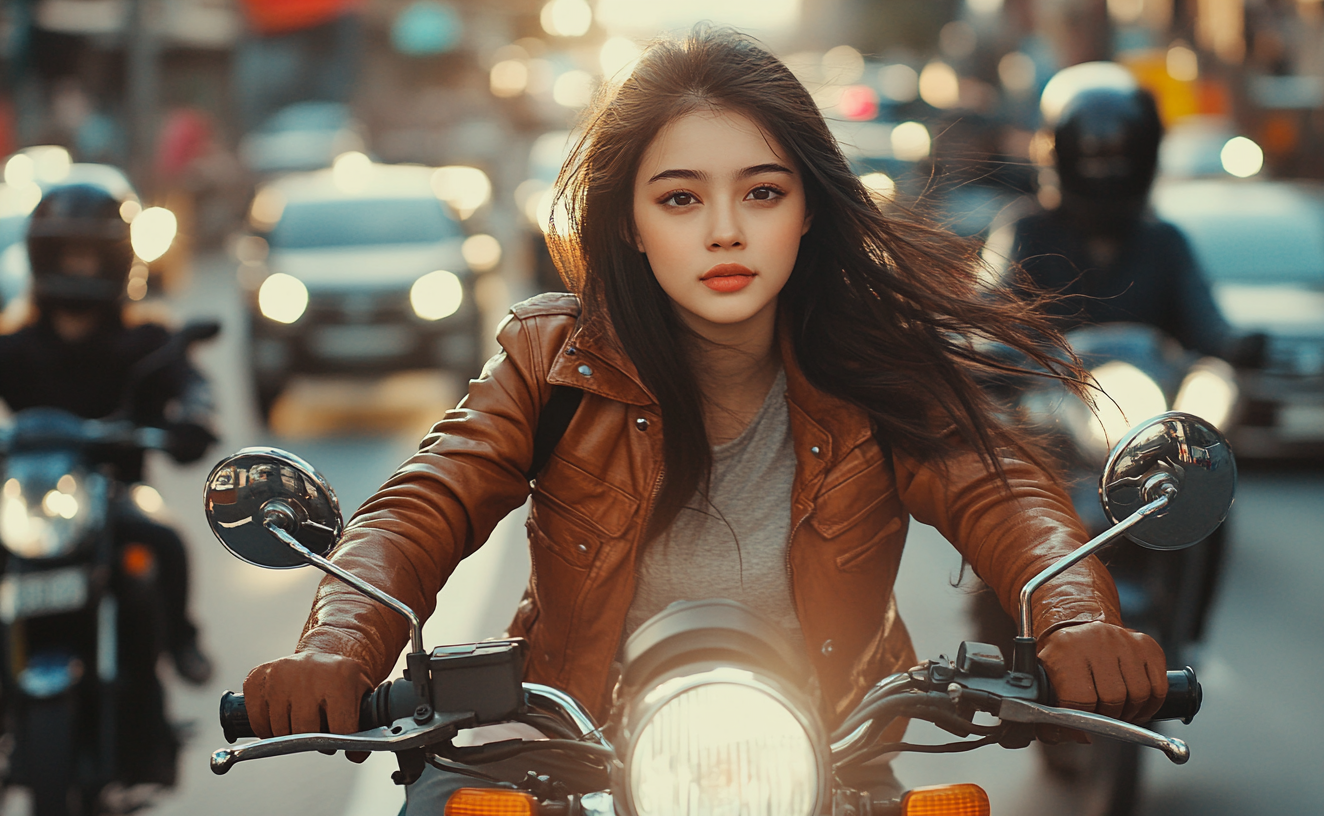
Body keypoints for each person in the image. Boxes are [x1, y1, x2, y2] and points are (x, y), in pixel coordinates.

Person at [242, 26, 1168, 807]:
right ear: (631, 224)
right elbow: (421, 505)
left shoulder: (883, 363)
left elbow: (1005, 492)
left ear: (807, 209)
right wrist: (335, 649)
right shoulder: (549, 357)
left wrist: (1074, 621)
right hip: (574, 747)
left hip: (829, 750)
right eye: (680, 198)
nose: (725, 229)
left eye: (761, 192)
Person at [0, 182, 216, 684]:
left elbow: (192, 384)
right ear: (43, 256)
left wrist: (194, 418)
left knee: (166, 540)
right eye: (67, 255)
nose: (79, 267)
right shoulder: (13, 344)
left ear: (115, 260)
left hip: (118, 494)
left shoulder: (149, 340)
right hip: (30, 497)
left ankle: (181, 640)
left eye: (90, 255)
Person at [982, 61, 1257, 363]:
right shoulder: (1027, 231)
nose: (1106, 176)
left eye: (1119, 157)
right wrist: (992, 347)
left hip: (1150, 404)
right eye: (1093, 158)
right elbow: (993, 310)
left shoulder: (1164, 242)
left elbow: (1208, 327)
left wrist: (1241, 347)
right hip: (1047, 405)